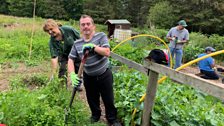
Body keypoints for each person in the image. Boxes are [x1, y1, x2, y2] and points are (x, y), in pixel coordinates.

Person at [67, 15, 121, 126]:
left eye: (88, 24)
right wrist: (72, 74)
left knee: (108, 99)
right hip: (89, 76)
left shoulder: (101, 37)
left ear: (93, 26)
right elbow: (71, 59)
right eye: (83, 24)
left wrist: (93, 47)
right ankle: (95, 116)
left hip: (104, 74)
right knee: (92, 99)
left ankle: (112, 119)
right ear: (80, 28)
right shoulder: (77, 44)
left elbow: (107, 52)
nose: (86, 26)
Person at [43, 19, 82, 90]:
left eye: (51, 29)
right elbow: (54, 57)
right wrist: (53, 73)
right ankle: (62, 87)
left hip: (75, 52)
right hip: (63, 55)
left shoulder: (68, 30)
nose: (50, 32)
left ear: (56, 26)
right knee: (62, 69)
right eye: (48, 31)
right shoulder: (52, 41)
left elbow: (80, 38)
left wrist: (81, 50)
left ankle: (78, 84)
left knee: (77, 67)